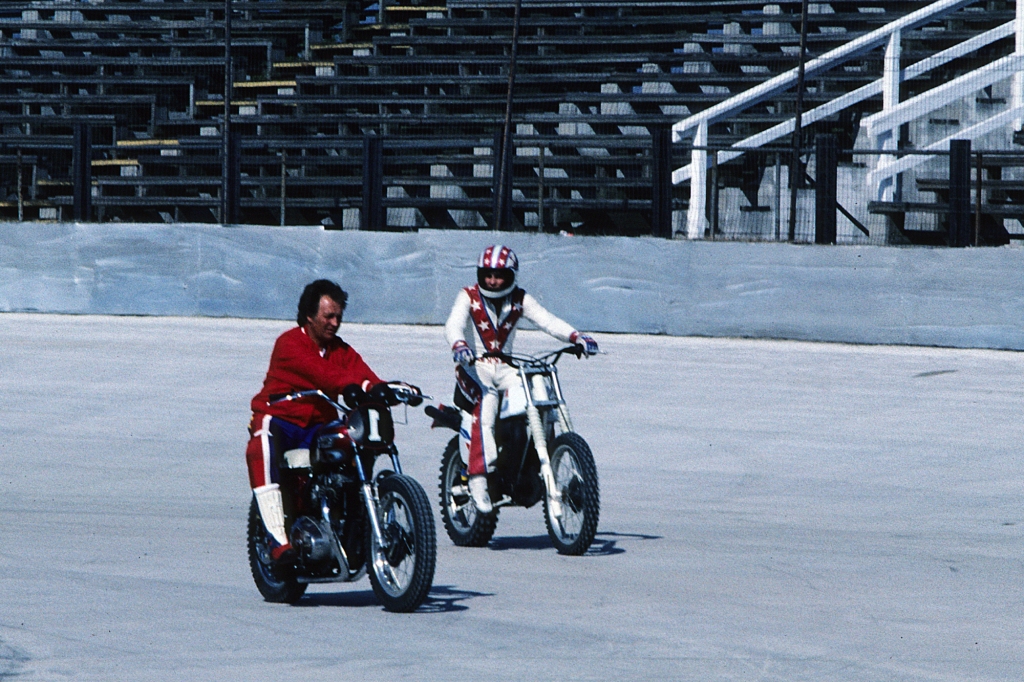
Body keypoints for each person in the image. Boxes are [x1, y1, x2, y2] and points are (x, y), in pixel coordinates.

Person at [444, 244, 599, 513]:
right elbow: (453, 323)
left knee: (539, 391)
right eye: (488, 274)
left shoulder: (520, 299)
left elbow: (547, 320)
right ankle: (478, 480)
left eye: (499, 275)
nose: (492, 280)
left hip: (507, 368)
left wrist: (577, 337)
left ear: (511, 275)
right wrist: (459, 344)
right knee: (487, 400)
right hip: (473, 367)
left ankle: (538, 459)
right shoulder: (467, 296)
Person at [246, 279, 384, 563]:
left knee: (353, 441)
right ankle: (277, 541)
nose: (335, 323)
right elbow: (321, 373)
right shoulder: (289, 343)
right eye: (328, 316)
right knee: (261, 444)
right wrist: (349, 386)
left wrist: (380, 389)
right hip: (283, 419)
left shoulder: (340, 350)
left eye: (339, 317)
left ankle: (352, 519)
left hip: (318, 424)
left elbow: (361, 372)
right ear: (309, 316)